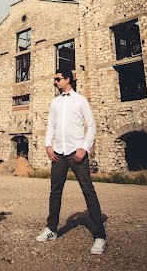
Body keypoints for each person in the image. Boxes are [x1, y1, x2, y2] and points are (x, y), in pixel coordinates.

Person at [35, 69, 107, 255]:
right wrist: (48, 145)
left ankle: (100, 236)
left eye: (58, 79)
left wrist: (84, 147)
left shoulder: (80, 100)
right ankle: (51, 229)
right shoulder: (55, 103)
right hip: (58, 153)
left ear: (68, 79)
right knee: (55, 191)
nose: (55, 82)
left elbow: (91, 125)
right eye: (55, 79)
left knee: (88, 191)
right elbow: (51, 125)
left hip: (77, 153)